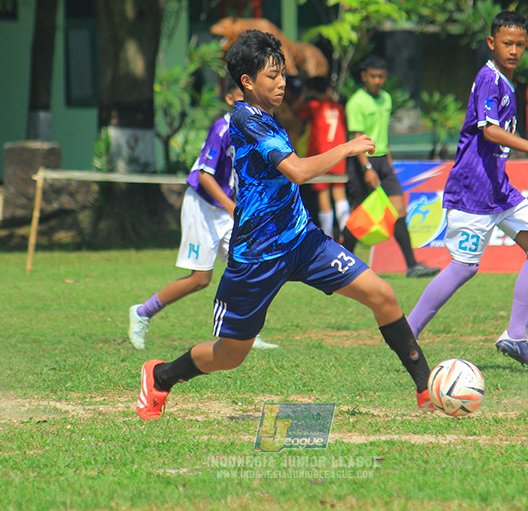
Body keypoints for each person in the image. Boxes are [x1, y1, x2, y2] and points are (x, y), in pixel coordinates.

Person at [136, 29, 434, 420]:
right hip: (258, 255)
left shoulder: (272, 117)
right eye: (272, 76)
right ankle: (160, 376)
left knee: (382, 294)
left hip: (303, 241)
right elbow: (295, 171)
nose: (282, 84)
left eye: (282, 75)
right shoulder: (245, 119)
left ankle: (426, 388)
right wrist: (346, 146)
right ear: (247, 82)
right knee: (229, 355)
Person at [406, 11, 528, 373]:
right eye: (506, 43)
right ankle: (406, 335)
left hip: (498, 189)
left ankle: (515, 336)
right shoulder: (489, 78)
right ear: (491, 43)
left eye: (519, 44)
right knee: (465, 267)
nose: (514, 50)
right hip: (474, 189)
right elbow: (490, 132)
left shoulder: (506, 82)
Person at [128, 84, 277, 351]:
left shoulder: (256, 128)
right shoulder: (222, 129)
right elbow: (205, 176)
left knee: (249, 265)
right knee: (200, 279)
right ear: (230, 99)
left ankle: (244, 333)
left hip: (228, 208)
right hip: (204, 207)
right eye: (242, 98)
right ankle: (142, 313)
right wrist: (233, 208)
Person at [340, 55, 438, 278]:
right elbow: (357, 137)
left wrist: (389, 160)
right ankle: (341, 264)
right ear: (364, 77)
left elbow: (383, 132)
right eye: (373, 77)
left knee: (399, 211)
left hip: (383, 161)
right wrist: (367, 169)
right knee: (359, 215)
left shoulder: (386, 98)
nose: (377, 81)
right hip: (363, 161)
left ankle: (412, 266)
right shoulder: (356, 102)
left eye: (381, 77)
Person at [296, 76, 351, 238]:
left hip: (321, 156)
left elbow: (295, 113)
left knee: (323, 195)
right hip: (339, 155)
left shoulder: (313, 106)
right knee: (340, 193)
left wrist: (303, 95)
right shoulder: (339, 107)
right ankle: (346, 232)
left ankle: (328, 235)